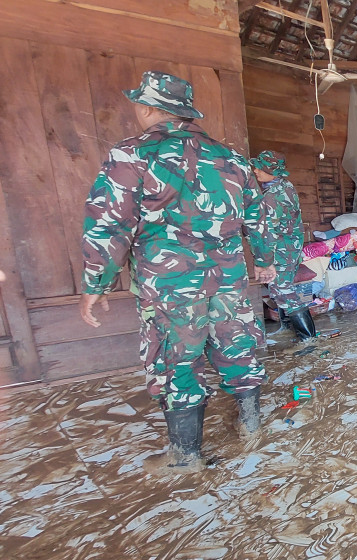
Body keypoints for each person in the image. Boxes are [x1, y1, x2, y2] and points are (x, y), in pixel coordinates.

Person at [79, 71, 277, 469]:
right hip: (229, 279)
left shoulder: (131, 154)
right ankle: (252, 428)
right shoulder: (233, 158)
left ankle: (186, 458)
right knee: (237, 347)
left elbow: (109, 224)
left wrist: (96, 282)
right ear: (185, 113)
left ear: (148, 107)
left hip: (170, 283)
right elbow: (258, 217)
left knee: (176, 362)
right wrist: (266, 260)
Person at [251, 151, 315, 341]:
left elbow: (267, 231)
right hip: (289, 246)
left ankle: (308, 337)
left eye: (260, 168)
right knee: (278, 287)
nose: (255, 171)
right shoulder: (283, 185)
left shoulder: (274, 196)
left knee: (282, 289)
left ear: (271, 171)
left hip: (282, 249)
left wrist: (263, 257)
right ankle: (288, 327)